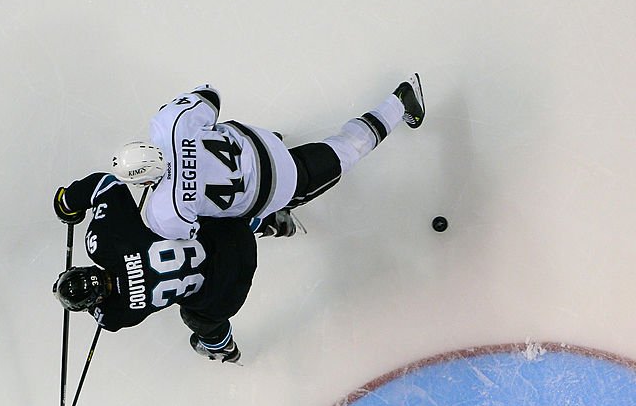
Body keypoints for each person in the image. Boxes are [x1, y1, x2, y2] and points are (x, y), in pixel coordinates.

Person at [112, 76, 425, 240]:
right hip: (261, 142)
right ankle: (268, 213)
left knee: (347, 150)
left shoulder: (164, 210)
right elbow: (210, 95)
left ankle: (400, 102)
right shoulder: (169, 125)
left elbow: (197, 238)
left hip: (283, 184)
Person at [51, 171, 256, 361]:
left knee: (195, 316)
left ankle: (220, 346)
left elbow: (103, 312)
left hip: (227, 292)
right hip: (232, 235)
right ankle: (263, 214)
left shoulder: (115, 316)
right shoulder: (103, 243)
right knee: (183, 208)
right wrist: (68, 203)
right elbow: (105, 185)